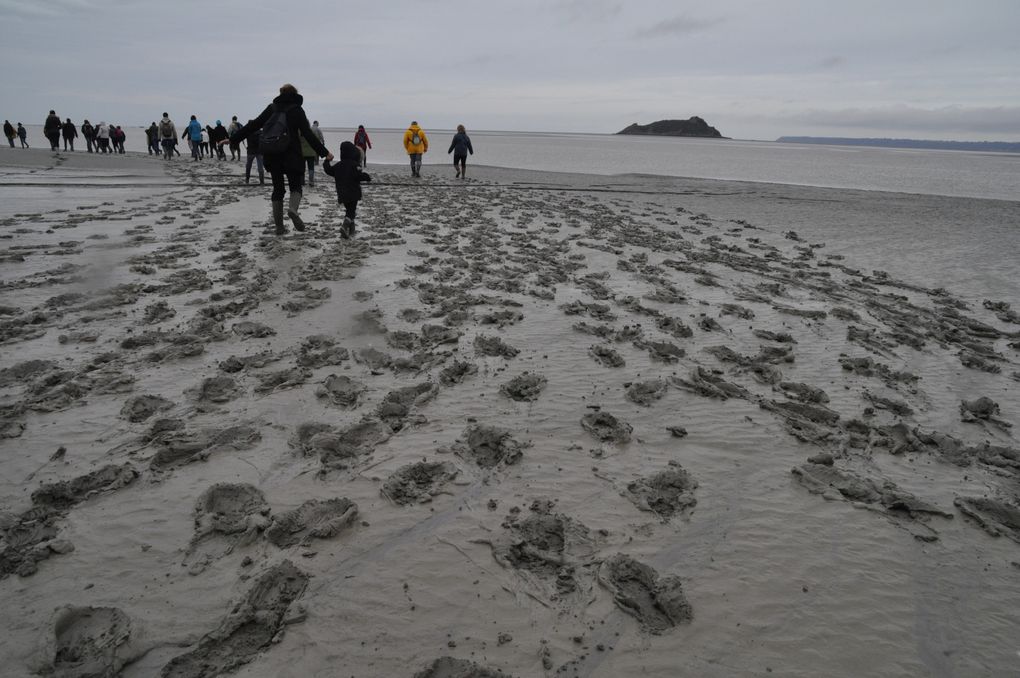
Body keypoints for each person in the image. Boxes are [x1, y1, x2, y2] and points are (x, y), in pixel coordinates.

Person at [224, 83, 331, 235]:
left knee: (278, 189)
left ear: (281, 94)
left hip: (272, 153)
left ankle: (279, 228)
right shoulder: (297, 110)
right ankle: (293, 209)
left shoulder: (271, 108)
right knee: (295, 187)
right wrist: (325, 152)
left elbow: (253, 125)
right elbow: (307, 134)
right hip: (292, 154)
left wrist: (233, 139)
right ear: (295, 95)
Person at [323, 140, 371, 239]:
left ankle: (351, 229)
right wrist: (367, 177)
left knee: (349, 210)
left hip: (342, 193)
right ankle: (345, 226)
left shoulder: (338, 165)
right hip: (353, 192)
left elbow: (329, 170)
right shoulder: (355, 165)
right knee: (351, 211)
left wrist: (326, 161)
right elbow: (358, 176)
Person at [243, 120, 264, 185]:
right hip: (259, 151)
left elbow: (241, 136)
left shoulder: (247, 132)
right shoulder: (260, 132)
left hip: (250, 151)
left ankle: (247, 180)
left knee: (248, 166)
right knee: (260, 167)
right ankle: (262, 182)